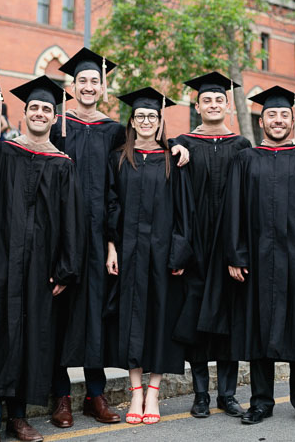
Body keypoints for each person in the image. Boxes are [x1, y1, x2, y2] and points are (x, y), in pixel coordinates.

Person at [0, 76, 81, 442]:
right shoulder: (3, 153)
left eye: (47, 109)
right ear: (25, 112)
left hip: (40, 268)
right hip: (0, 260)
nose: (40, 113)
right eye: (34, 107)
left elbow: (71, 221)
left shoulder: (62, 164)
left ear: (54, 118)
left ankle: (17, 418)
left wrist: (66, 267)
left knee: (27, 338)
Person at [219, 85, 295, 426]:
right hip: (255, 260)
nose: (278, 120)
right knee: (258, 331)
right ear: (262, 119)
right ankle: (261, 402)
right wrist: (235, 255)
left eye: (284, 115)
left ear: (292, 120)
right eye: (272, 115)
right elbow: (233, 211)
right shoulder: (246, 159)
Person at [103, 87, 193, 425]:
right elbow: (110, 205)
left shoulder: (174, 160)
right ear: (132, 120)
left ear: (159, 121)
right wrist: (111, 247)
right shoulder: (118, 158)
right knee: (130, 320)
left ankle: (153, 392)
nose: (145, 120)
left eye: (151, 116)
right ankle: (136, 391)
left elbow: (185, 212)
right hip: (128, 254)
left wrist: (179, 254)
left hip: (162, 255)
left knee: (159, 319)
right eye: (140, 115)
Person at [48, 48, 124, 428]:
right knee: (60, 314)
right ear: (72, 85)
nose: (89, 86)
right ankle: (61, 396)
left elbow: (120, 187)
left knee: (95, 315)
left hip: (97, 239)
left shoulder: (113, 130)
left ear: (103, 86)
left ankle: (96, 394)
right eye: (82, 81)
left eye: (95, 80)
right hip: (62, 235)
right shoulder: (58, 125)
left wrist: (112, 242)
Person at [170, 72, 251, 419]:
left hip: (230, 246)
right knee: (198, 321)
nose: (213, 104)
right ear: (197, 105)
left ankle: (228, 394)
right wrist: (171, 148)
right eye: (207, 100)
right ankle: (201, 393)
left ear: (227, 105)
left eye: (219, 100)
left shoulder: (242, 146)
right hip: (198, 245)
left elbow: (249, 199)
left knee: (231, 320)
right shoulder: (183, 142)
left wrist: (242, 248)